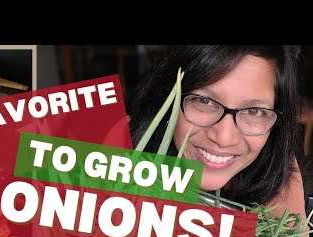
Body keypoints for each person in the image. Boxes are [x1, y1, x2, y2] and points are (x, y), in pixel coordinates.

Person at [128, 45, 308, 221]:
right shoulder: (120, 148)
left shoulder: (278, 173)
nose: (224, 138)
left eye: (254, 111)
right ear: (169, 97)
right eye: (204, 101)